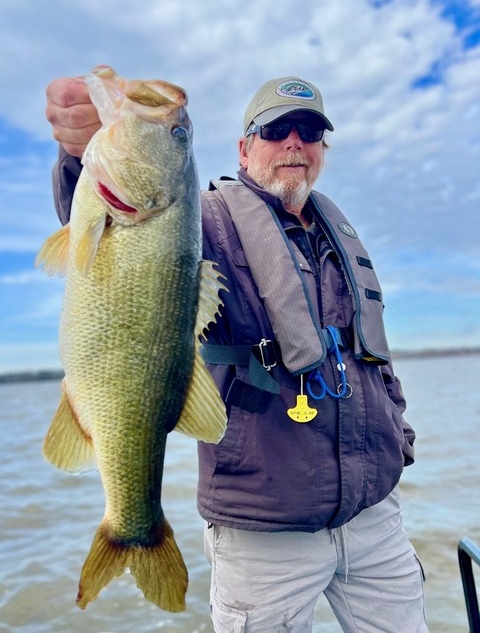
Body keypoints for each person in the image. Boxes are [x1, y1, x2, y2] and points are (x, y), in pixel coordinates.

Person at [45, 72, 428, 632]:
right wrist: (79, 152)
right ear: (245, 148)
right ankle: (132, 528)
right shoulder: (207, 219)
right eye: (275, 130)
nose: (294, 142)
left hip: (375, 520)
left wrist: (400, 439)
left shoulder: (337, 236)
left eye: (309, 131)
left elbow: (374, 357)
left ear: (322, 149)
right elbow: (112, 217)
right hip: (264, 530)